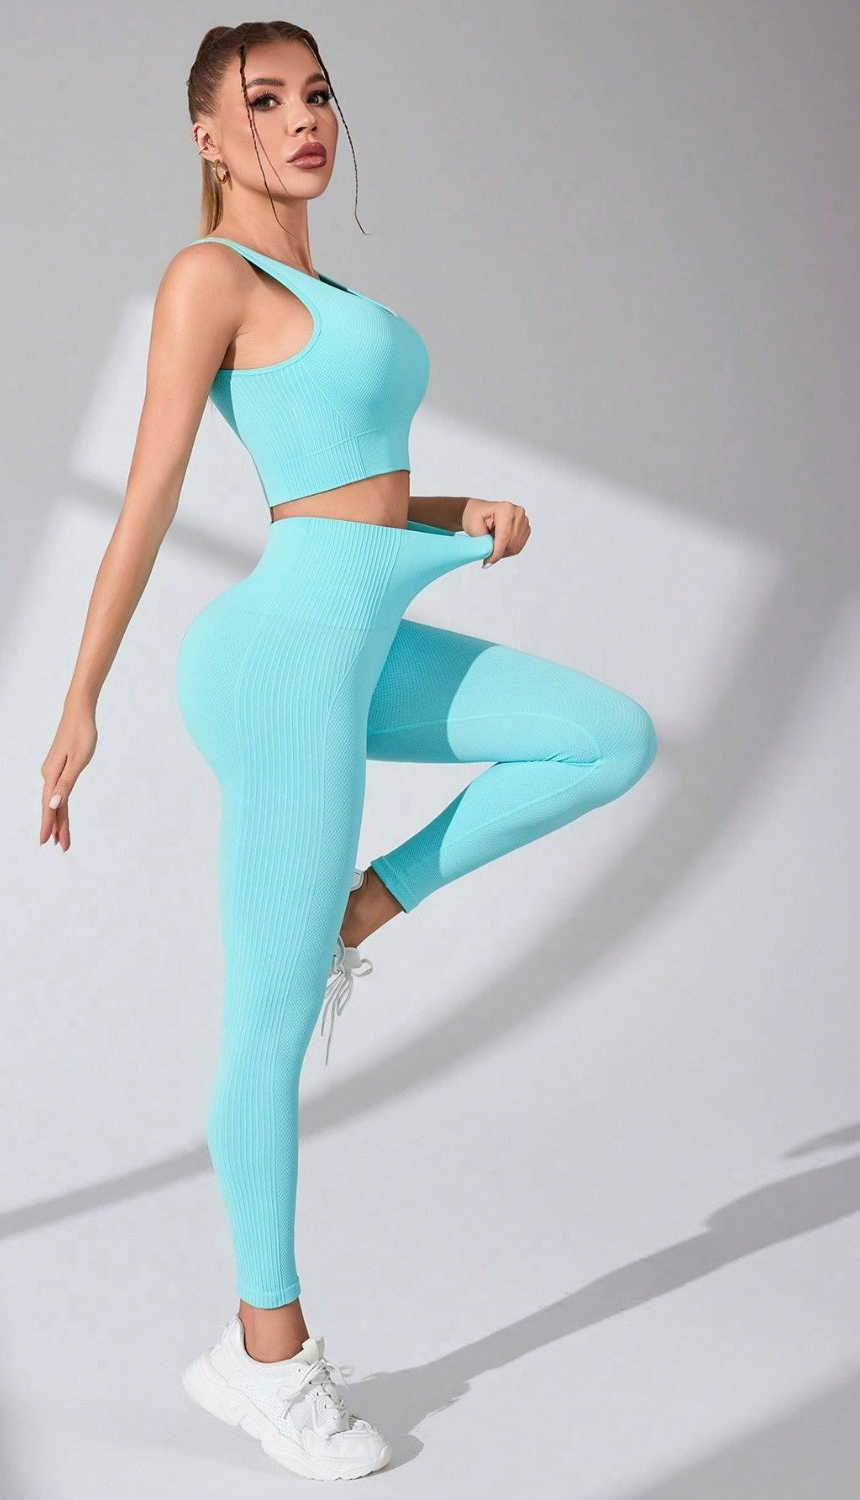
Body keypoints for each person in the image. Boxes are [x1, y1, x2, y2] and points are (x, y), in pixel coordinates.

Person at [39, 21, 658, 1483]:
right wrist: (80, 699)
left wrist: (450, 512)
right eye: (262, 101)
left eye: (315, 93)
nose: (302, 119)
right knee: (266, 1025)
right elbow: (149, 494)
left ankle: (355, 911)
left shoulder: (330, 293)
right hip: (284, 665)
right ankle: (265, 1357)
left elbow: (346, 495)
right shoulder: (209, 278)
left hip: (361, 633)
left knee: (604, 739)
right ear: (208, 137)